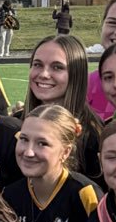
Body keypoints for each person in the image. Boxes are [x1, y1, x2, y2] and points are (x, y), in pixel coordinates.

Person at [23, 36, 104, 180]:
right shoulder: (17, 123)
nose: (44, 74)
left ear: (76, 74)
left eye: (57, 67)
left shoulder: (93, 135)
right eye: (37, 65)